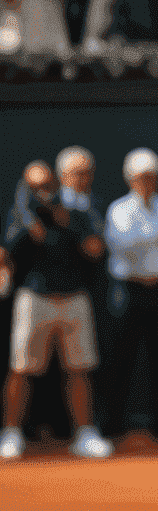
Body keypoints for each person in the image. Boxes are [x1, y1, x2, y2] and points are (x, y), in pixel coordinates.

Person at [0, 161, 112, 461]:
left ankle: (85, 434)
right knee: (21, 369)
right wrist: (29, 226)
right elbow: (6, 251)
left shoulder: (76, 212)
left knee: (79, 369)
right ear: (26, 189)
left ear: (56, 184)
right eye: (35, 187)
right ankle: (11, 433)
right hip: (34, 299)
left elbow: (95, 249)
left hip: (75, 298)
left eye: (47, 185)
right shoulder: (20, 216)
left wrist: (67, 224)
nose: (43, 192)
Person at [102, 148, 158, 444]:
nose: (147, 183)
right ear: (130, 178)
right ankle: (114, 427)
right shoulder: (118, 209)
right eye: (141, 178)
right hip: (128, 291)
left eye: (151, 177)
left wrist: (151, 235)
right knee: (120, 360)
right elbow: (121, 245)